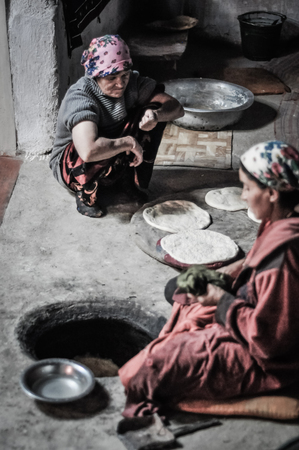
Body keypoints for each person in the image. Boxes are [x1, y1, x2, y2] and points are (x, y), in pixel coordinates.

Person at [119, 140, 299, 418]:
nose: (243, 197)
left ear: (273, 193)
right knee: (178, 291)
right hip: (250, 310)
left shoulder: (286, 260)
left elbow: (269, 341)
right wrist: (230, 271)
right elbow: (257, 261)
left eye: (248, 189)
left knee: (148, 371)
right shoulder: (284, 217)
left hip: (268, 358)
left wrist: (221, 299)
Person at [49, 34, 184, 217]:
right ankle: (85, 194)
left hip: (111, 150)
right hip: (72, 164)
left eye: (124, 75)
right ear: (96, 76)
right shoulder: (81, 97)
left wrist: (155, 115)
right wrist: (128, 142)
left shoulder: (132, 84)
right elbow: (88, 151)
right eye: (111, 77)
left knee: (151, 113)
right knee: (91, 145)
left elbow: (176, 108)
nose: (120, 84)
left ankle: (125, 180)